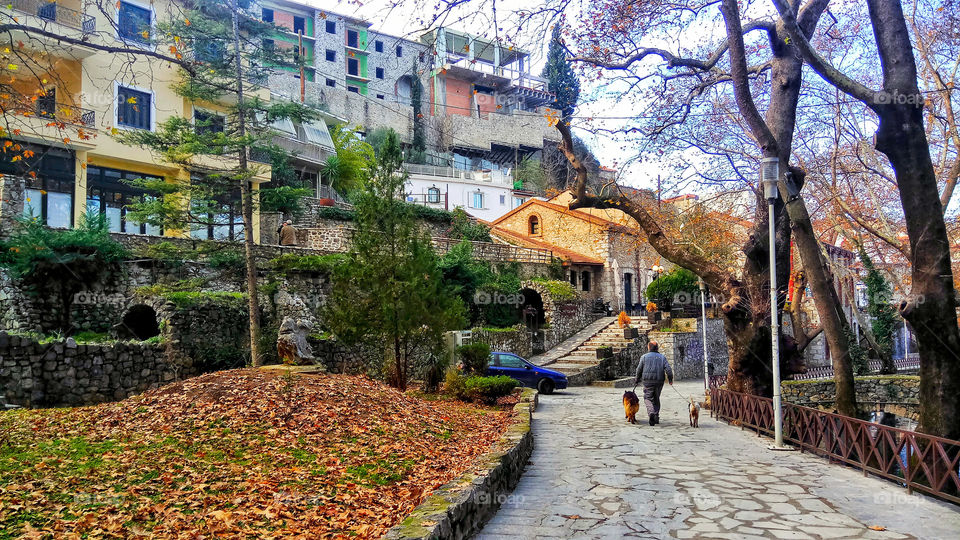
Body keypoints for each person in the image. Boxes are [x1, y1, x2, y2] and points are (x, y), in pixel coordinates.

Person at [634, 340, 673, 426]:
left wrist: (637, 379)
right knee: (656, 398)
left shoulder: (644, 357)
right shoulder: (662, 357)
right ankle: (656, 416)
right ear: (657, 348)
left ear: (648, 347)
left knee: (647, 398)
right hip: (659, 381)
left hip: (647, 381)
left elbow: (639, 369)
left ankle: (651, 412)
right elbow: (668, 369)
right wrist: (670, 379)